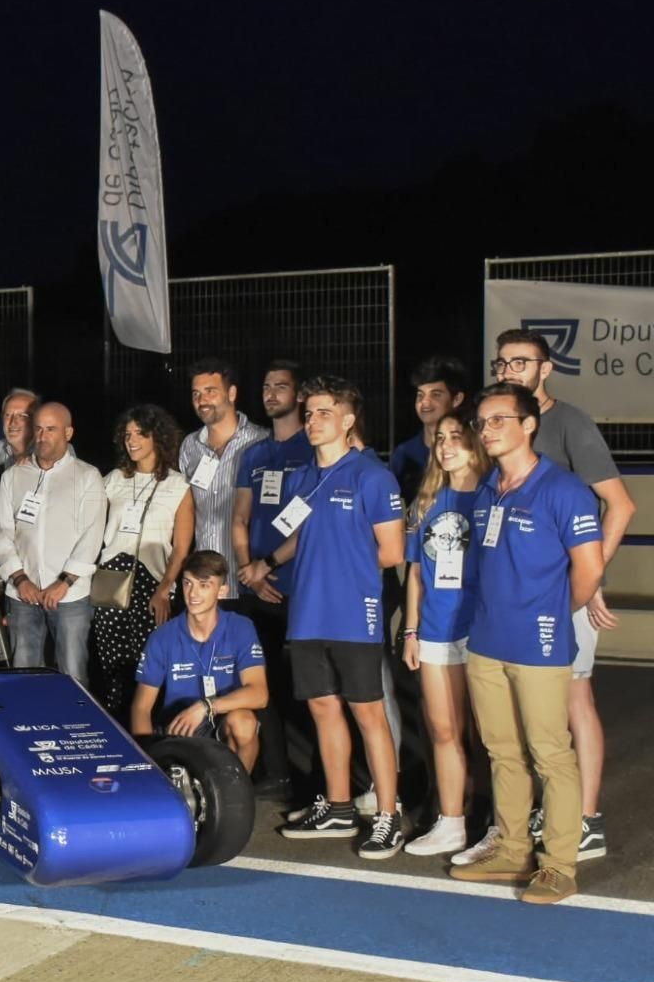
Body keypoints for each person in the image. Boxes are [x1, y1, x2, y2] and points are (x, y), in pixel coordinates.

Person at [450, 383, 604, 904]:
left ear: (528, 425)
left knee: (550, 753)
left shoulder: (564, 491)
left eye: (498, 420)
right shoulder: (490, 487)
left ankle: (559, 863)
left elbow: (588, 571)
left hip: (538, 644)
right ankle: (513, 847)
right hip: (487, 641)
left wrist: (549, 615)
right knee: (502, 751)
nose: (487, 430)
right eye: (483, 422)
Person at [245, 376, 406, 859]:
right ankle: (337, 806)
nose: (313, 421)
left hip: (353, 612)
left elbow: (392, 549)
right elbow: (300, 533)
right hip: (307, 612)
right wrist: (268, 562)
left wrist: (343, 568)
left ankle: (387, 813)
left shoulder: (371, 476)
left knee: (368, 713)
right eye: (310, 413)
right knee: (322, 707)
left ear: (348, 421)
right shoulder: (301, 477)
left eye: (324, 413)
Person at [494, 328, 636, 862]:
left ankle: (586, 820)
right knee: (524, 705)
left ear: (545, 369)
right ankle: (544, 809)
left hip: (564, 591)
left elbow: (619, 506)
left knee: (575, 696)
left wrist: (592, 576)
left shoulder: (569, 423)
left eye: (521, 363)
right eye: (503, 362)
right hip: (514, 595)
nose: (509, 370)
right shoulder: (497, 424)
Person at [400, 410, 488, 857]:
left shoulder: (493, 497)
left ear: (476, 442)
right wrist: (411, 630)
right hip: (435, 629)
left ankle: (494, 824)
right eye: (440, 439)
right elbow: (415, 572)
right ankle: (450, 822)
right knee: (442, 727)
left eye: (457, 436)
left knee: (487, 732)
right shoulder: (428, 500)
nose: (447, 445)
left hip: (483, 630)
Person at [231, 359, 311, 799]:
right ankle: (277, 773)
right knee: (264, 687)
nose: (271, 394)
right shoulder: (255, 454)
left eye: (281, 386)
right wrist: (250, 568)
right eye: (266, 386)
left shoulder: (310, 447)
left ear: (298, 395)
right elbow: (240, 517)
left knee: (310, 688)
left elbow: (310, 521)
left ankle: (321, 783)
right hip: (255, 585)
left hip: (299, 584)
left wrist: (270, 566)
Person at [90, 405, 193, 717]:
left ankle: (148, 733)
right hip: (111, 579)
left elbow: (181, 548)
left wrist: (165, 588)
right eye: (127, 434)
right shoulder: (113, 479)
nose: (131, 441)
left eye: (140, 434)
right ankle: (115, 723)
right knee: (110, 663)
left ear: (157, 437)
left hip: (153, 582)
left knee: (148, 663)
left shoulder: (178, 485)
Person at [0, 401, 104, 681]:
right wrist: (20, 579)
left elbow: (92, 535)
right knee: (24, 673)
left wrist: (64, 582)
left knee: (73, 673)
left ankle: (76, 724)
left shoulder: (87, 476)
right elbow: (1, 532)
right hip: (22, 594)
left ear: (68, 433)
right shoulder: (13, 476)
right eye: (39, 429)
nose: (42, 436)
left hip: (70, 595)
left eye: (51, 429)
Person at [132, 551, 268, 773]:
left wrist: (206, 707)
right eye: (187, 583)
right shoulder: (163, 636)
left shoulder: (241, 628)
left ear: (221, 591)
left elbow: (259, 695)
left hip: (220, 721)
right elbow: (141, 707)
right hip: (178, 727)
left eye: (204, 585)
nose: (193, 594)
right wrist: (146, 764)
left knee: (244, 722)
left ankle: (236, 798)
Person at [178, 358, 270, 599]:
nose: (201, 400)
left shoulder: (261, 442)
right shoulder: (190, 446)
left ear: (232, 393)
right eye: (196, 394)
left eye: (210, 391)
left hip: (250, 578)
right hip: (205, 579)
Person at [389, 357, 468, 503]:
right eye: (420, 395)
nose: (424, 402)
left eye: (435, 394)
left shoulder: (470, 450)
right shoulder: (405, 454)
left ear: (457, 399)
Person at [0, 388, 39, 470]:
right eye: (8, 415)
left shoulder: (47, 452)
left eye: (22, 416)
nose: (13, 422)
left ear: (36, 420)